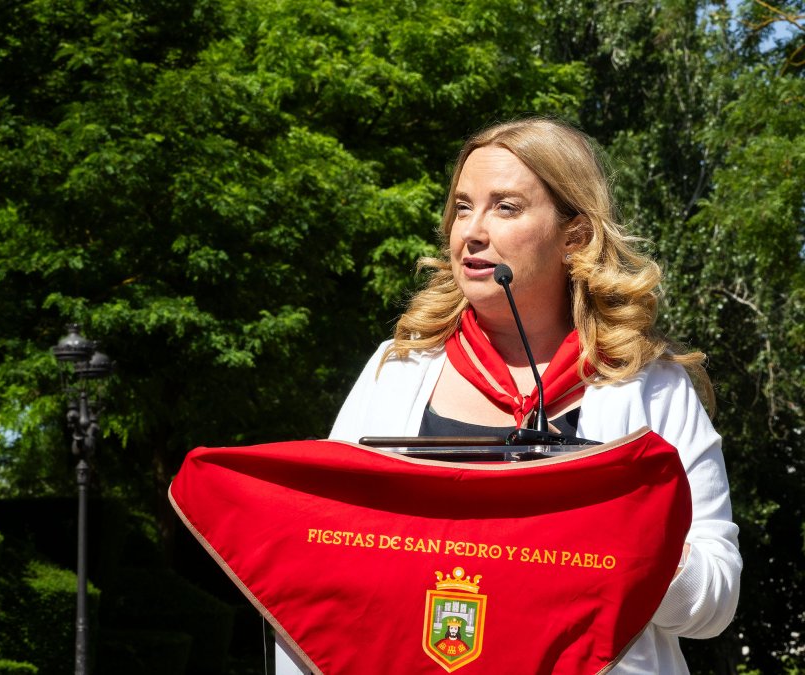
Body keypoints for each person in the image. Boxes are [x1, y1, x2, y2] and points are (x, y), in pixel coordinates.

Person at [275, 118, 741, 674]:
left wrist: (633, 541)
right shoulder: (394, 370)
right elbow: (322, 549)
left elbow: (716, 600)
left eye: (506, 207)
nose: (471, 231)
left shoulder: (651, 384)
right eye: (462, 206)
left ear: (576, 236)